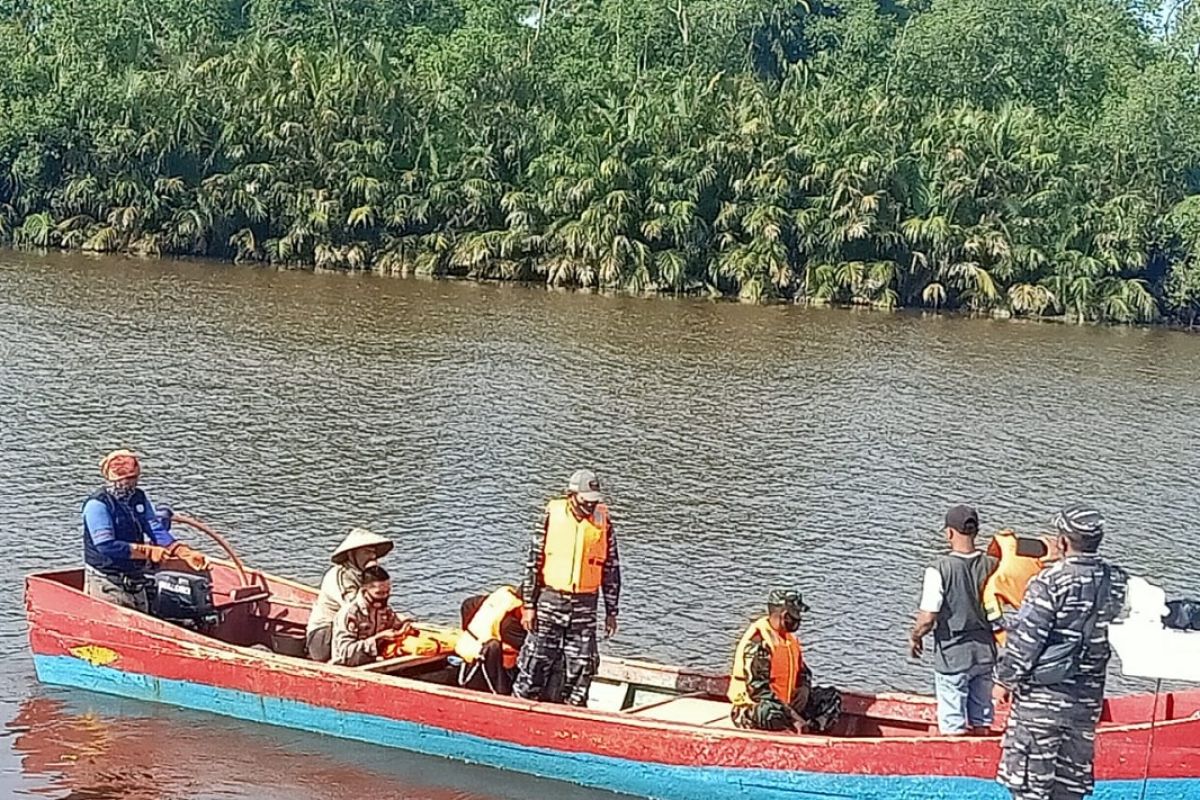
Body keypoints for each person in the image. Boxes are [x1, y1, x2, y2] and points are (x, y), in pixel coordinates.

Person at [994, 505, 1129, 800]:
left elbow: (1026, 642)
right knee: (1069, 792)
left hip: (1041, 705)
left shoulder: (1048, 583)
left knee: (1031, 791)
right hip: (1085, 703)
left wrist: (1003, 681)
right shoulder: (1116, 581)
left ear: (1063, 541)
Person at [513, 469, 620, 706]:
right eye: (585, 501)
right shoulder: (552, 516)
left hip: (585, 604)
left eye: (594, 501)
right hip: (550, 600)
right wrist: (529, 605)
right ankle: (521, 705)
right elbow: (533, 562)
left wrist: (612, 611)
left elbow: (611, 568)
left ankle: (573, 711)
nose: (590, 506)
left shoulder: (603, 522)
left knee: (583, 662)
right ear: (571, 495)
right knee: (537, 659)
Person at [908, 504, 998, 736]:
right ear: (976, 532)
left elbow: (928, 617)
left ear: (949, 533)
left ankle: (957, 765)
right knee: (982, 721)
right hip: (985, 653)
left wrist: (915, 636)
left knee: (953, 725)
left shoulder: (939, 569)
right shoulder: (993, 565)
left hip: (953, 657)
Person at [82, 450, 207, 612]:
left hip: (135, 579)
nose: (130, 484)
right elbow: (106, 545)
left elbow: (153, 527)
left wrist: (183, 552)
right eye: (125, 480)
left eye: (134, 479)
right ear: (112, 478)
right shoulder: (98, 505)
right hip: (106, 581)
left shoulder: (138, 497)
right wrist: (147, 552)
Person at [727, 589, 842, 733]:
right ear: (785, 615)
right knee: (770, 713)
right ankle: (793, 727)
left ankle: (810, 731)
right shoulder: (759, 642)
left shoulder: (789, 639)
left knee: (831, 698)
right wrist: (793, 716)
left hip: (788, 703)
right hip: (756, 707)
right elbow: (758, 692)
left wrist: (804, 687)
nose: (798, 619)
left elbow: (803, 670)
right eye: (795, 615)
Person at [306, 527, 394, 662]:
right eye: (366, 552)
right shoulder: (339, 576)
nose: (372, 557)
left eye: (373, 553)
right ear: (352, 554)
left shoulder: (368, 576)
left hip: (355, 631)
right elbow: (355, 608)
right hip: (324, 638)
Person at [983, 531, 1061, 646]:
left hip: (1030, 610)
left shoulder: (994, 584)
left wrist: (1004, 640)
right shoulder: (1013, 544)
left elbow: (994, 618)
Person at [330, 565, 413, 667]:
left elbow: (395, 623)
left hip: (377, 662)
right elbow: (345, 653)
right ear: (365, 590)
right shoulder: (350, 614)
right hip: (348, 666)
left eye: (387, 592)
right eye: (379, 593)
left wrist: (405, 625)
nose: (384, 596)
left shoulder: (385, 610)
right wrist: (377, 639)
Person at [455, 585, 527, 694]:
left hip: (468, 648)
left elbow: (468, 604)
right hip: (485, 662)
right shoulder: (509, 626)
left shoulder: (500, 600)